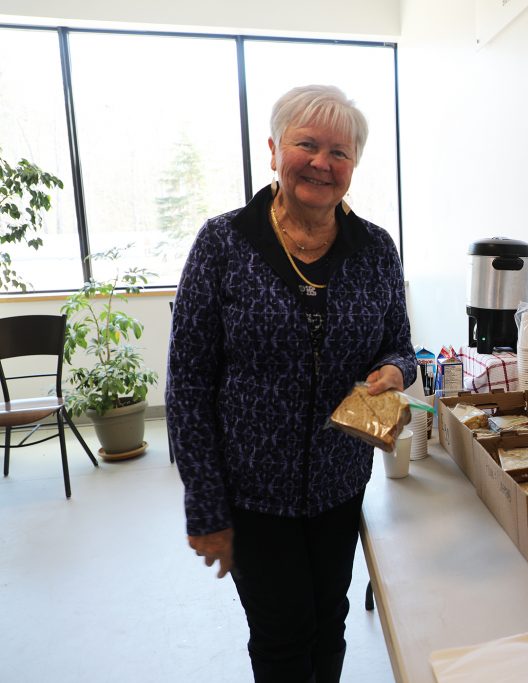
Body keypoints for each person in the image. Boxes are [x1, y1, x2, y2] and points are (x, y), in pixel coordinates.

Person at [166, 84, 416, 682]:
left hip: (339, 480)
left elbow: (402, 346)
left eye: (340, 152)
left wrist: (397, 370)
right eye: (307, 144)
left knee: (329, 620)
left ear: (353, 166)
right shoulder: (223, 244)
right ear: (275, 149)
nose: (322, 163)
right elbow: (188, 386)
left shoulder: (376, 248)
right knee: (281, 635)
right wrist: (206, 506)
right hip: (252, 493)